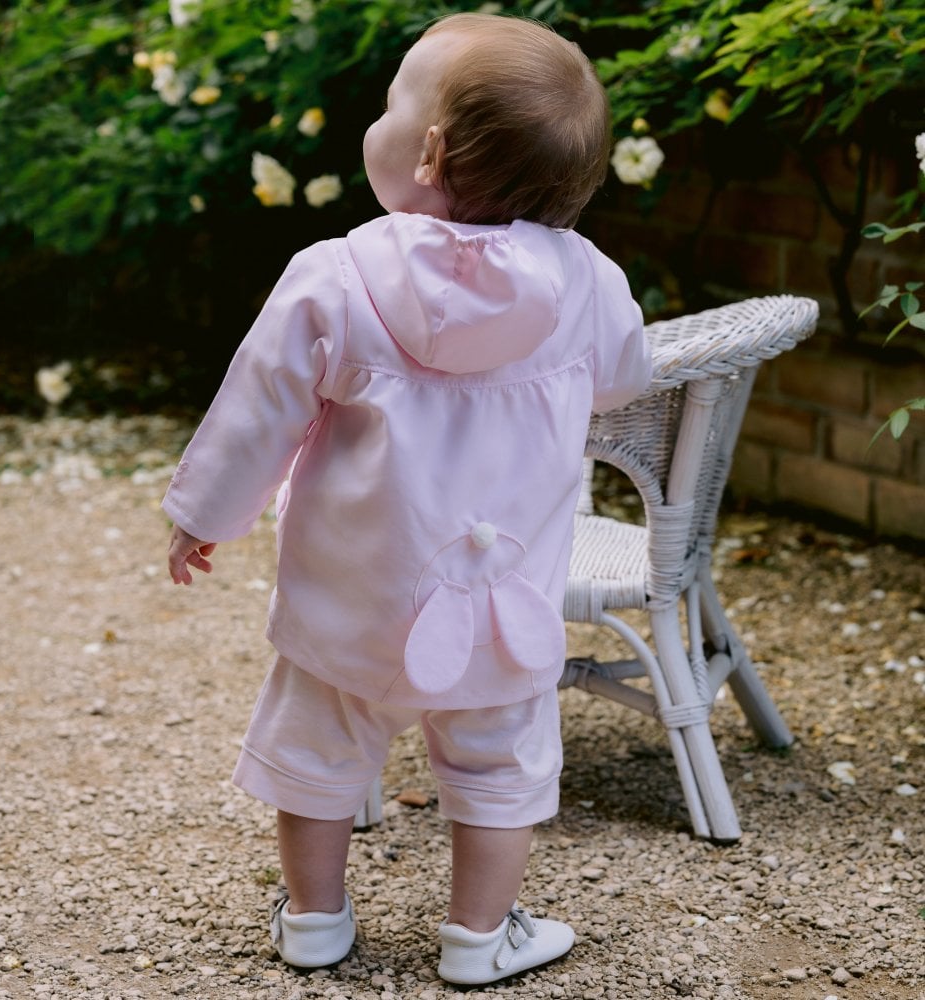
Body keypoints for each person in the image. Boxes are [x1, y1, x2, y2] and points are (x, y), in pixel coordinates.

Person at [164, 12, 651, 986]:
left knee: (316, 748)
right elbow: (624, 375)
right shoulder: (588, 282)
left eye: (392, 101)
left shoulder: (334, 277)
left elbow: (254, 412)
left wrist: (202, 516)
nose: (376, 117)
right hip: (499, 612)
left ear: (426, 152)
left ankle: (314, 921)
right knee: (497, 765)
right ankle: (478, 937)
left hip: (350, 603)